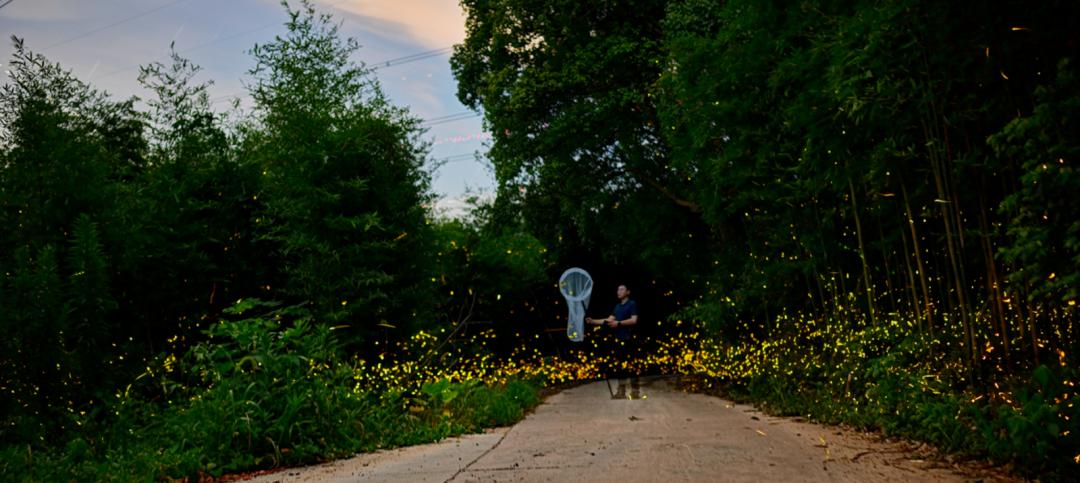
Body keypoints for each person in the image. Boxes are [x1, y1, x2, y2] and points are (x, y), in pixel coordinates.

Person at [586, 284, 640, 399]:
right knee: (620, 366)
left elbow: (634, 320)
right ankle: (621, 391)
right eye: (618, 289)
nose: (618, 291)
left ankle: (635, 391)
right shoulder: (617, 307)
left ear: (628, 292)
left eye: (622, 289)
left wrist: (618, 323)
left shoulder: (632, 304)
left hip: (630, 339)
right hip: (619, 339)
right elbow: (609, 320)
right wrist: (593, 321)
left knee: (631, 365)